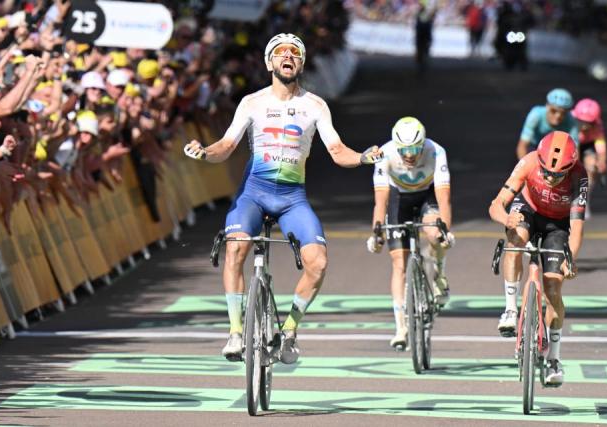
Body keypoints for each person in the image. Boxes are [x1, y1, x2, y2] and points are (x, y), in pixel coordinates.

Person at [184, 33, 382, 363]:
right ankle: (235, 332)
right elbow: (225, 147)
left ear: (301, 63)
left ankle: (289, 330)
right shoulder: (252, 102)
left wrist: (362, 157)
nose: (287, 56)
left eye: (295, 53)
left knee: (318, 263)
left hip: (292, 199)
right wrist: (204, 153)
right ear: (269, 62)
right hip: (254, 195)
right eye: (280, 53)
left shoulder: (315, 105)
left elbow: (337, 151)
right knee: (235, 249)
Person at [488, 131, 587, 386]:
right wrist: (506, 218)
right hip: (528, 210)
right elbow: (496, 204)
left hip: (559, 224)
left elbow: (576, 227)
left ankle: (554, 358)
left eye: (557, 174)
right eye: (546, 172)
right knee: (515, 239)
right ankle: (510, 309)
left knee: (553, 285)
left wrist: (571, 260)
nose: (550, 178)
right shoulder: (530, 161)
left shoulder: (579, 175)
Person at [366, 116, 454, 349]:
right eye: (404, 149)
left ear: (423, 144)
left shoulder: (436, 151)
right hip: (398, 200)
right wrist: (377, 232)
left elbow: (444, 196)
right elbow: (381, 201)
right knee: (399, 264)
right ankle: (401, 327)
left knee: (436, 235)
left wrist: (446, 228)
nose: (410, 154)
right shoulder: (385, 153)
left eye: (415, 148)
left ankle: (439, 273)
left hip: (427, 196)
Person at [516, 88, 579, 159]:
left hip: (556, 148)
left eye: (563, 113)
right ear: (547, 106)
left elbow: (575, 151)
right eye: (553, 111)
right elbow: (522, 146)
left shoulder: (571, 120)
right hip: (534, 145)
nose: (558, 116)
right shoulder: (536, 115)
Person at [572, 98, 607, 218]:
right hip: (571, 142)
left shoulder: (598, 125)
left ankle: (584, 201)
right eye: (581, 122)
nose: (585, 126)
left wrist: (602, 162)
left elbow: (600, 145)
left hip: (588, 144)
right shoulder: (569, 119)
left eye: (589, 123)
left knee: (592, 166)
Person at [415, 1, 437, 75]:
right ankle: (421, 64)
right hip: (423, 36)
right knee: (422, 50)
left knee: (423, 50)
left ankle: (422, 64)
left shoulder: (422, 15)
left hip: (423, 36)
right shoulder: (421, 15)